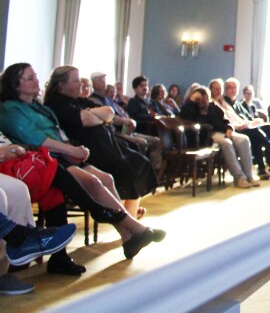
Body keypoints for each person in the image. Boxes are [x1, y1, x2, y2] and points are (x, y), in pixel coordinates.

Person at [0, 63, 165, 260]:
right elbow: (36, 139)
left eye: (35, 75)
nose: (37, 80)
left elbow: (63, 130)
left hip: (63, 154)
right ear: (16, 85)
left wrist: (73, 148)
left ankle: (127, 235)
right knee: (94, 181)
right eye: (30, 78)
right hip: (48, 158)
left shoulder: (37, 106)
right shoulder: (10, 110)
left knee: (107, 178)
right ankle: (134, 229)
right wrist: (71, 149)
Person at [43, 66, 158, 221]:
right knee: (128, 170)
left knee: (140, 162)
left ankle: (129, 215)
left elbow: (109, 112)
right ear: (61, 85)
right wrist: (96, 116)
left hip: (108, 145)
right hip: (91, 151)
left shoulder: (80, 100)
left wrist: (93, 114)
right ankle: (128, 219)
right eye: (76, 81)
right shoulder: (56, 103)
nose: (81, 85)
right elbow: (86, 119)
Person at [180, 87, 259, 189]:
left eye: (206, 98)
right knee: (226, 143)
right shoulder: (191, 108)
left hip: (223, 131)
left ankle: (248, 176)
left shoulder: (213, 107)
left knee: (244, 139)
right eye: (201, 98)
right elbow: (184, 115)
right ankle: (239, 178)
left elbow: (225, 120)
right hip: (208, 135)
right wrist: (192, 100)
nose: (204, 101)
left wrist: (229, 128)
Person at [90, 71, 163, 179]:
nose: (103, 82)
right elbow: (111, 118)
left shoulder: (109, 100)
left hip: (126, 129)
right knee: (140, 142)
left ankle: (154, 174)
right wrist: (126, 121)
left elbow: (123, 113)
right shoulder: (93, 100)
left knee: (156, 141)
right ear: (93, 83)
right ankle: (140, 176)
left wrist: (128, 121)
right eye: (100, 80)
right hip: (113, 131)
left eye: (104, 80)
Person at [213, 79, 270, 180]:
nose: (232, 90)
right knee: (256, 133)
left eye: (234, 88)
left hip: (245, 126)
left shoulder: (236, 103)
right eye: (229, 88)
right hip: (236, 129)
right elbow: (228, 120)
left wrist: (253, 121)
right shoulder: (223, 102)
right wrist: (244, 124)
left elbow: (244, 117)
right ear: (225, 90)